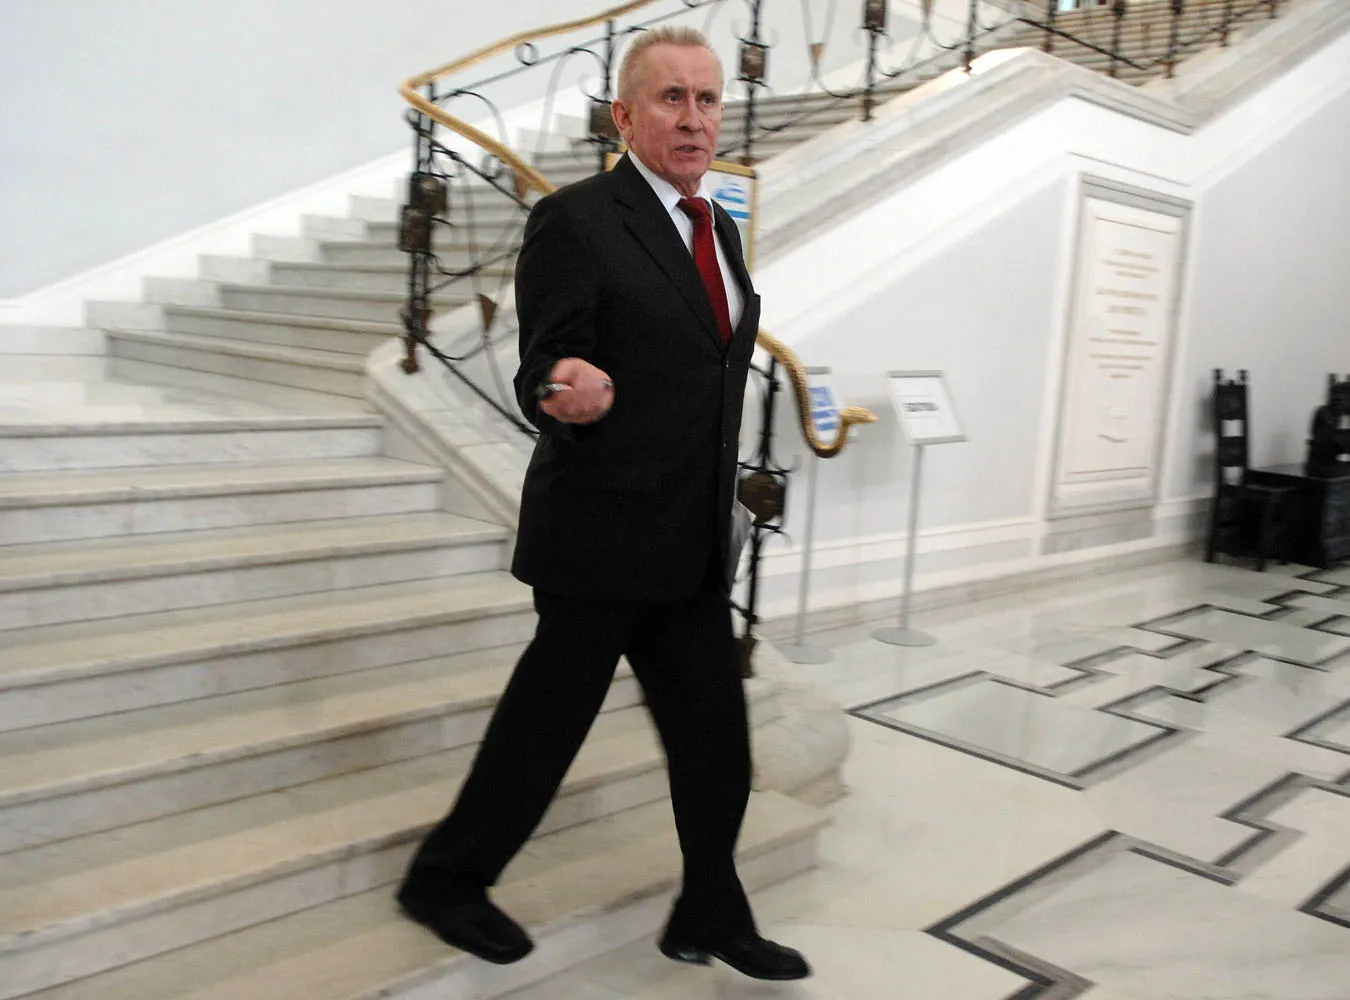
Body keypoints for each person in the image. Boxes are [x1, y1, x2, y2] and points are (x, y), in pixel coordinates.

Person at [395, 25, 811, 983]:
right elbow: (541, 359)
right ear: (624, 116)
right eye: (672, 98)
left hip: (691, 537)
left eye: (708, 98)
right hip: (603, 533)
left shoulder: (717, 228)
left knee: (714, 735)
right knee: (545, 728)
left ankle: (710, 908)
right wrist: (561, 386)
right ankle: (445, 882)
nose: (695, 118)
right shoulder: (577, 220)